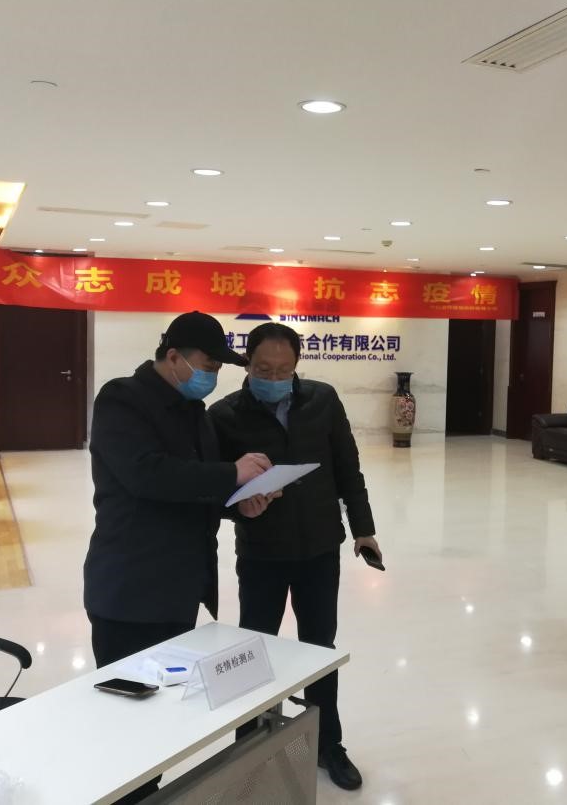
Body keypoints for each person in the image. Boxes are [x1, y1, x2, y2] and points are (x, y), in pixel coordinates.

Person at [210, 322, 379, 792]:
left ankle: (327, 744)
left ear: (297, 366)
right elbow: (214, 488)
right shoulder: (224, 415)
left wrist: (363, 529)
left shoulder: (323, 400)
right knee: (256, 648)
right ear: (247, 363)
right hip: (262, 551)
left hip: (320, 547)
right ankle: (251, 744)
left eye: (283, 370)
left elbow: (347, 467)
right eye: (264, 369)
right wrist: (240, 507)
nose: (274, 377)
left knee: (318, 647)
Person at [84, 311, 271, 669]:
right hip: (130, 590)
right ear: (173, 357)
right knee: (128, 696)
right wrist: (233, 472)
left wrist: (238, 505)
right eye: (209, 365)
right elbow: (147, 475)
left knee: (172, 696)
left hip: (180, 589)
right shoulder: (121, 399)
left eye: (218, 368)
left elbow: (196, 486)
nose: (213, 375)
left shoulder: (194, 412)